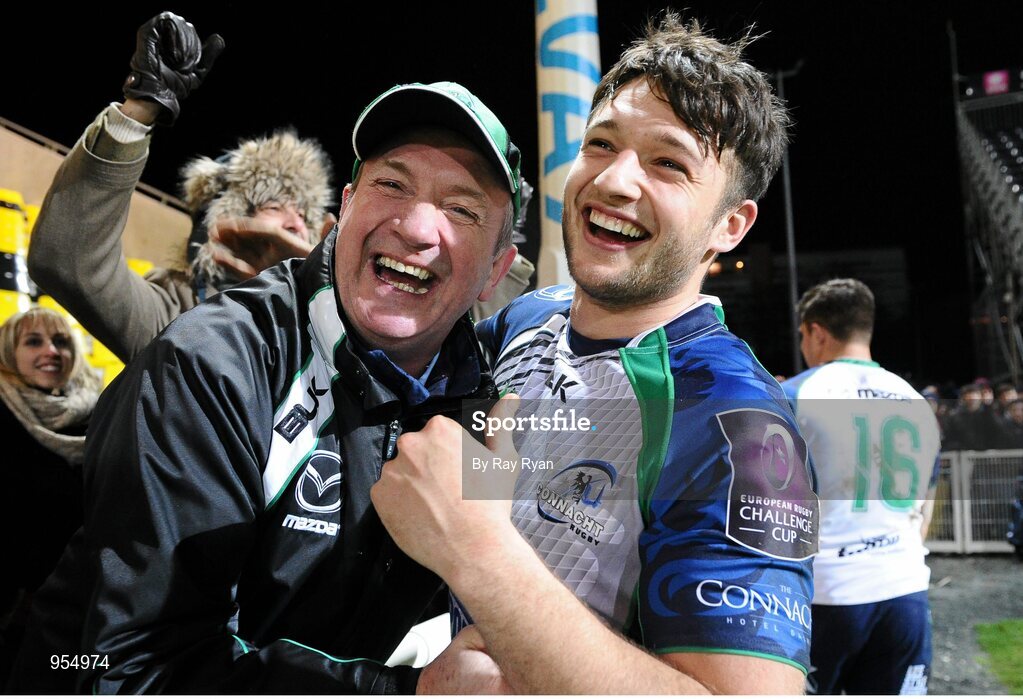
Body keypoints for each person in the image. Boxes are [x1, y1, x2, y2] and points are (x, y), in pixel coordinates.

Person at [7, 73, 523, 692]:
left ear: (496, 269)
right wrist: (403, 691)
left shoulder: (485, 410)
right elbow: (136, 672)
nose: (416, 228)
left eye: (461, 210)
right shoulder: (209, 362)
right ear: (348, 209)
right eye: (392, 184)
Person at [370, 13, 819, 694]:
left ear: (729, 225)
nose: (613, 181)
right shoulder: (525, 320)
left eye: (667, 162)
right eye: (602, 144)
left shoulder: (737, 420)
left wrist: (477, 555)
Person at [26, 11, 337, 365]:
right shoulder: (176, 311)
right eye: (274, 205)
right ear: (223, 225)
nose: (297, 223)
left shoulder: (343, 324)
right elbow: (66, 259)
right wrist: (142, 105)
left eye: (302, 213)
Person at [781, 278, 942, 695]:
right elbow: (924, 508)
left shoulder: (795, 394)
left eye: (803, 336)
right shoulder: (916, 401)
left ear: (817, 332)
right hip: (904, 589)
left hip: (827, 594)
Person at [0, 308, 102, 684]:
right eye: (33, 342)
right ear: (9, 353)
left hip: (73, 599)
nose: (51, 351)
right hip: (12, 600)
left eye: (61, 341)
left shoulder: (97, 409)